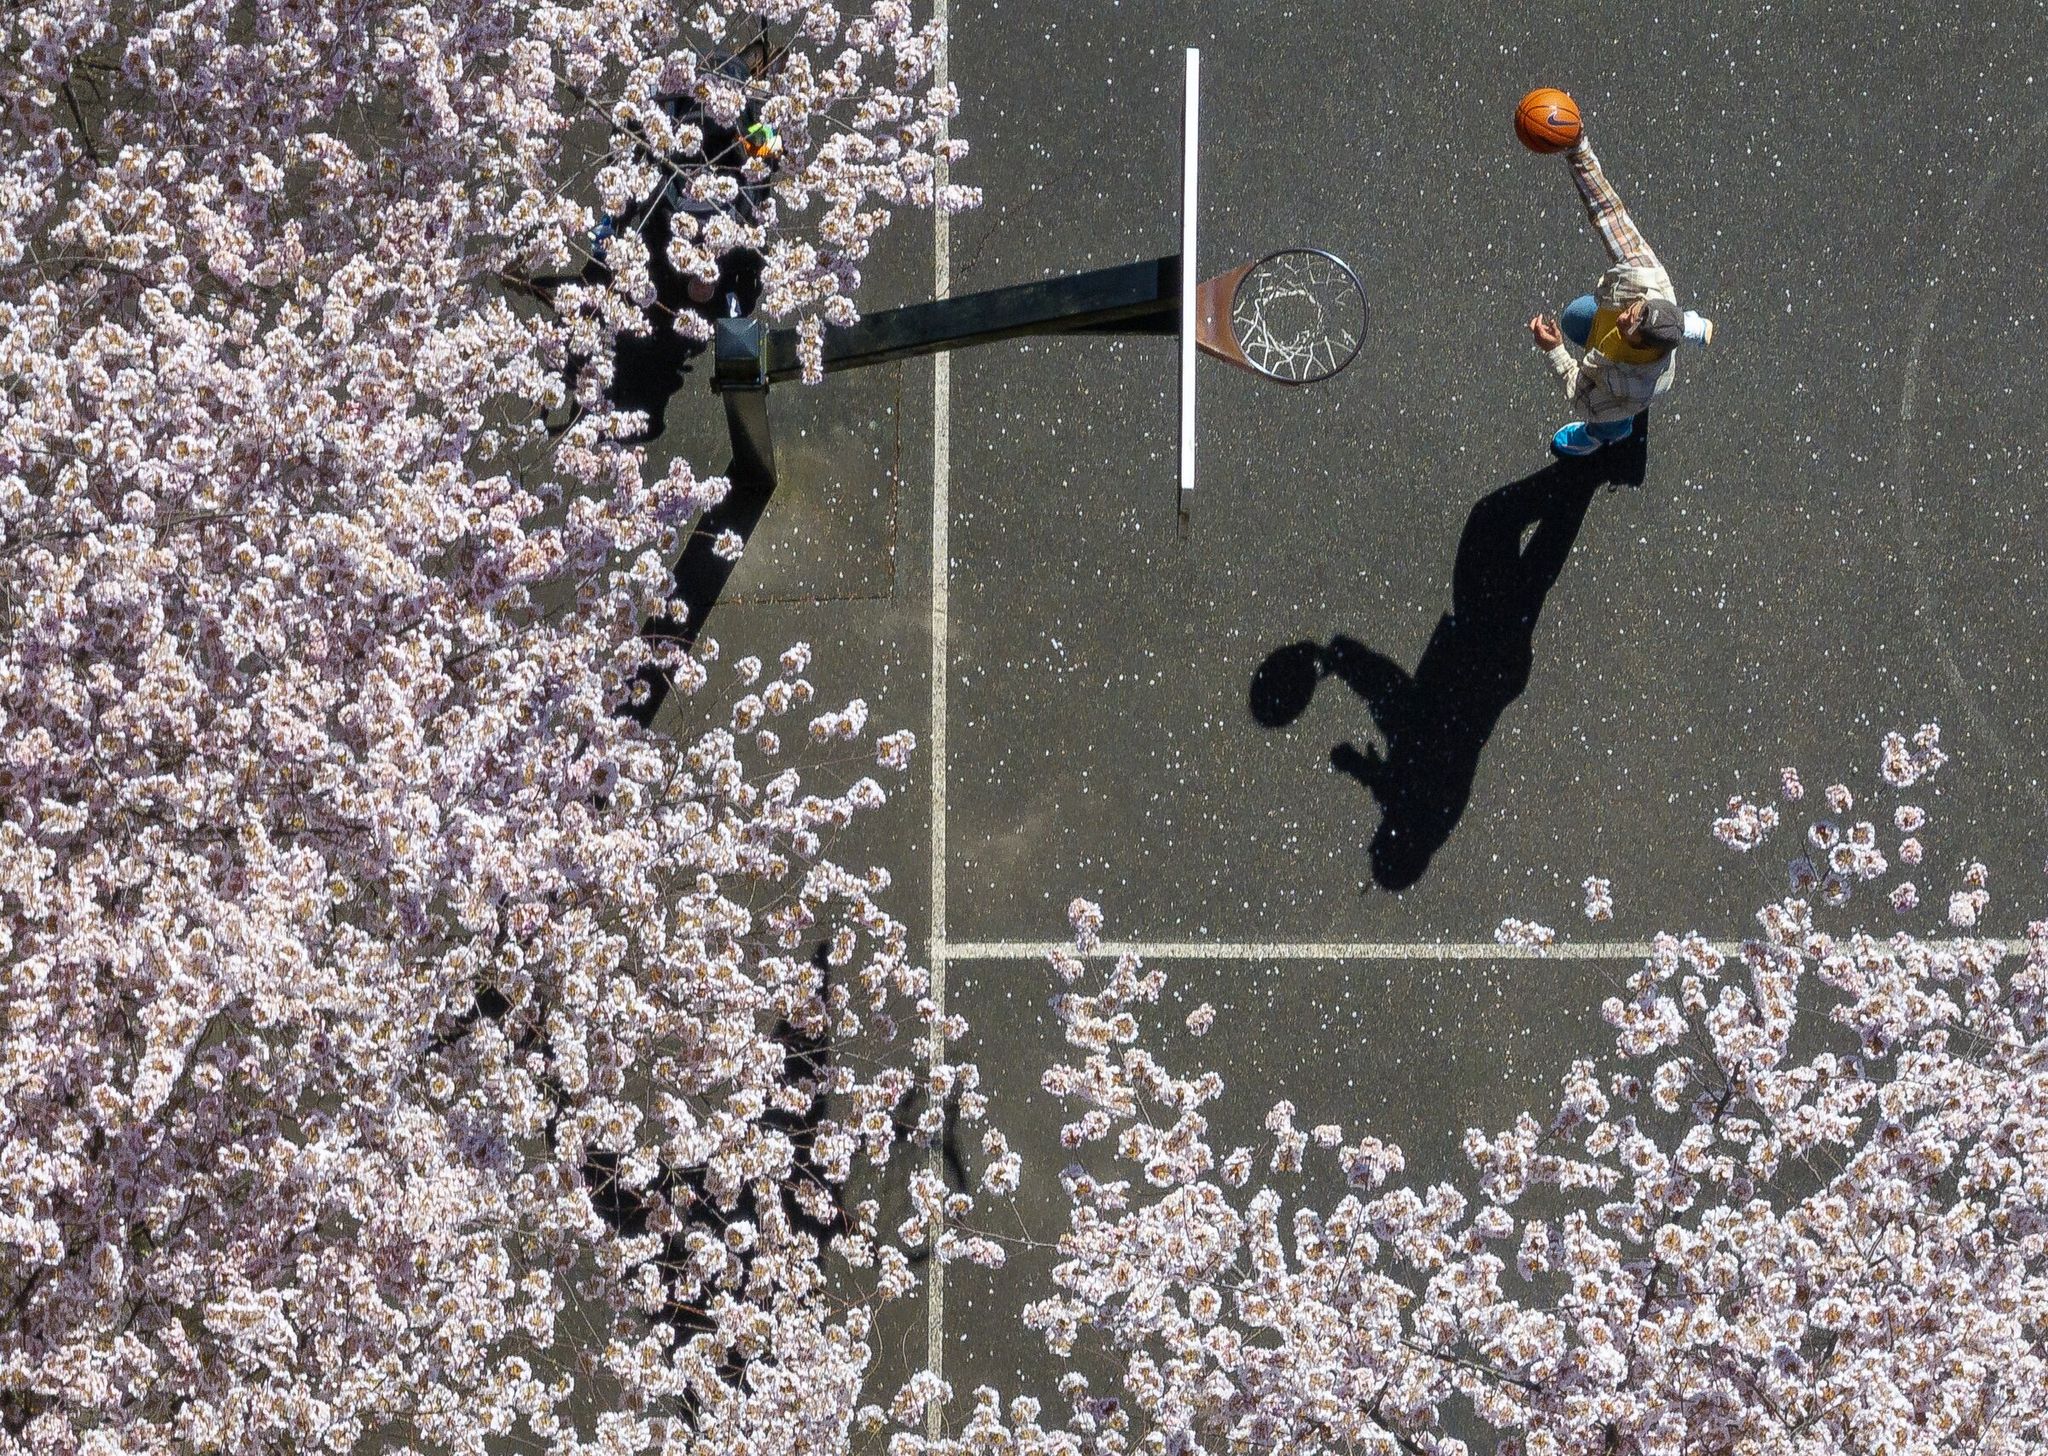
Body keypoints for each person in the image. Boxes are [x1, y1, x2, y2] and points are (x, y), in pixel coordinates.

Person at [1527, 133, 1712, 457]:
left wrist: (1554, 349)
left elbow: (1580, 396)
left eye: (1632, 326)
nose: (1627, 314)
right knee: (1576, 316)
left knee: (1608, 416)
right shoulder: (1647, 278)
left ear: (1641, 344)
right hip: (1650, 337)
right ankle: (1690, 325)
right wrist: (1577, 146)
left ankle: (1610, 434)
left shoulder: (1627, 384)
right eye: (1638, 309)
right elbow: (1609, 214)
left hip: (1625, 396)